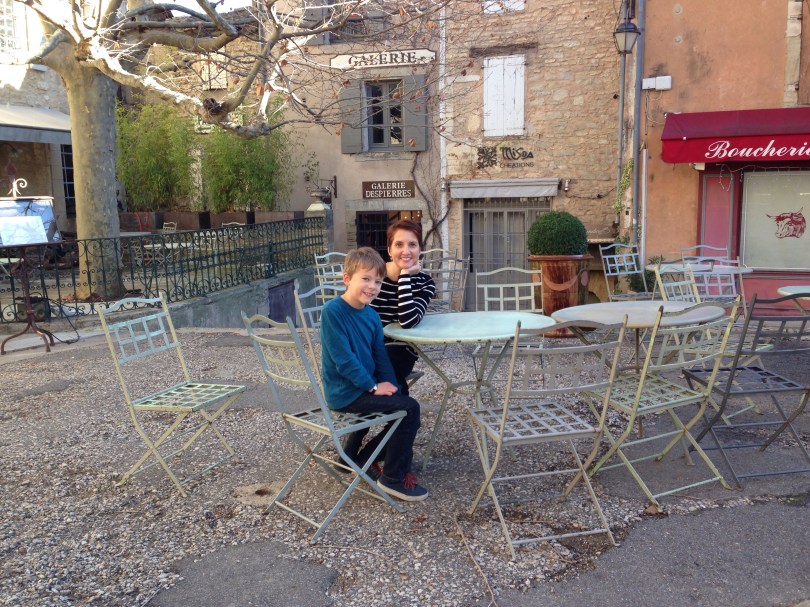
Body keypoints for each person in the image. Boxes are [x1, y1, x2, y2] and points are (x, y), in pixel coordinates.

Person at [320, 247, 428, 502]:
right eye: (365, 279)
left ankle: (354, 458)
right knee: (410, 410)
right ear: (347, 279)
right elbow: (344, 360)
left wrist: (391, 385)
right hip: (346, 394)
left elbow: (380, 357)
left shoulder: (372, 316)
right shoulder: (333, 311)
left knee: (404, 404)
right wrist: (373, 386)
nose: (372, 286)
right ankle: (392, 477)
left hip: (362, 389)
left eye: (378, 281)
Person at [370, 219, 436, 395]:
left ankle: (398, 408)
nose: (406, 251)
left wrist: (404, 276)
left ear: (420, 250)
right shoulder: (373, 277)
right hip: (368, 346)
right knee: (376, 363)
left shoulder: (425, 283)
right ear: (389, 250)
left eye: (412, 245)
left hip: (400, 350)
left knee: (387, 360)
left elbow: (407, 322)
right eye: (399, 244)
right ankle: (402, 408)